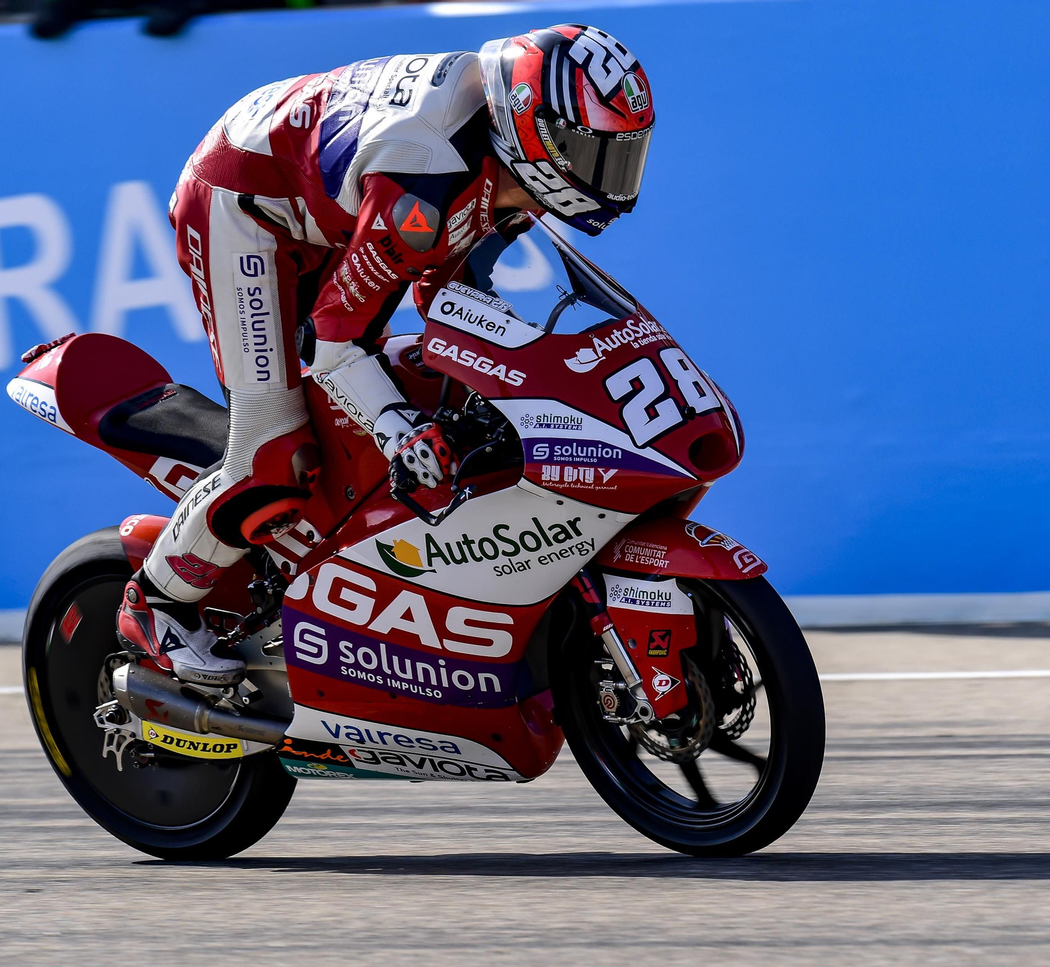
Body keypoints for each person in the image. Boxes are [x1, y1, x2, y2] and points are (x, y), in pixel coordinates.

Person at [116, 25, 656, 684]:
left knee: (437, 390)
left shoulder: (511, 164)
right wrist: (402, 434)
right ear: (529, 127)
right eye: (591, 152)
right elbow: (336, 339)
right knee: (273, 452)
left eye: (625, 154)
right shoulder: (422, 181)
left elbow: (451, 293)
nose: (611, 179)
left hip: (328, 191)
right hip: (242, 206)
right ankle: (156, 602)